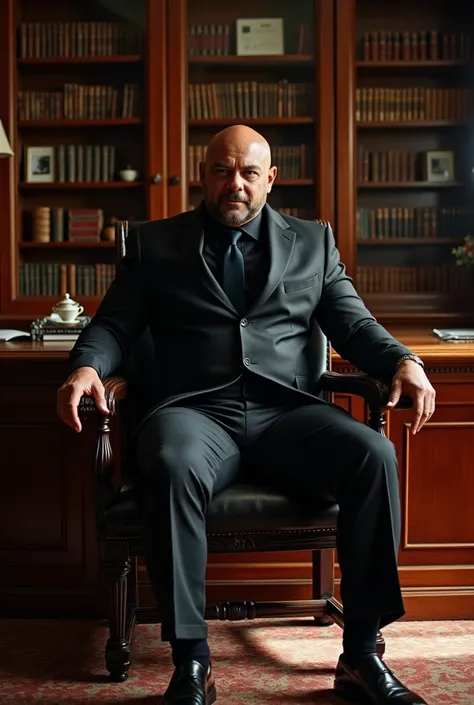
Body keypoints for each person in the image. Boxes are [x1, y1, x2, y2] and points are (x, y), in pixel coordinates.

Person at [57, 125, 435, 705]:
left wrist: (403, 361)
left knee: (373, 454)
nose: (235, 184)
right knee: (170, 460)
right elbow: (114, 324)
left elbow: (354, 324)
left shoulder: (314, 243)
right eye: (222, 170)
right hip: (195, 412)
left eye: (248, 172)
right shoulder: (155, 245)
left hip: (288, 413)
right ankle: (192, 661)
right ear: (203, 174)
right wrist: (85, 367)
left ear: (270, 179)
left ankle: (362, 654)